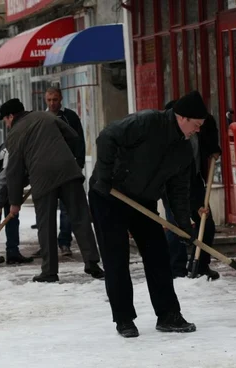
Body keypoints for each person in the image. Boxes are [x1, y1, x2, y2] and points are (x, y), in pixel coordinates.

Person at [88, 91, 209, 338]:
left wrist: (184, 224)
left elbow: (178, 191)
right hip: (109, 194)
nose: (197, 131)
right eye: (196, 125)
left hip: (143, 200)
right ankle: (124, 319)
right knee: (116, 257)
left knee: (158, 255)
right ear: (182, 117)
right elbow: (107, 136)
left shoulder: (185, 149)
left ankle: (168, 315)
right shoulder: (147, 122)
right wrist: (104, 175)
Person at [1, 98, 104, 283]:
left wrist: (14, 202)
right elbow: (72, 136)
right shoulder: (46, 116)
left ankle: (49, 272)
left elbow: (14, 171)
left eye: (5, 120)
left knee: (46, 225)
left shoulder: (14, 135)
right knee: (80, 217)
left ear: (10, 116)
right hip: (68, 170)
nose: (6, 125)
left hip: (42, 178)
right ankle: (92, 262)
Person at [160, 100, 222, 280]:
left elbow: (210, 134)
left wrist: (214, 150)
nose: (197, 129)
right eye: (196, 125)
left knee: (206, 223)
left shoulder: (201, 124)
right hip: (171, 183)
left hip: (193, 180)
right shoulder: (169, 136)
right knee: (177, 225)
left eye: (199, 125)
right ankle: (175, 269)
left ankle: (200, 266)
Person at [30, 87, 86, 257]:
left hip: (68, 169)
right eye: (49, 100)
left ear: (61, 99)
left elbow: (79, 140)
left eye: (55, 99)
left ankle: (64, 242)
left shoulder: (70, 117)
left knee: (67, 208)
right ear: (45, 100)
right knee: (45, 209)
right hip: (46, 171)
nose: (52, 103)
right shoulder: (41, 118)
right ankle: (47, 245)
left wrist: (79, 162)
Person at [0, 142, 34, 266]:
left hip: (12, 177)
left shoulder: (34, 148)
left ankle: (13, 252)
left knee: (13, 214)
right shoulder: (15, 151)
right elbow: (2, 180)